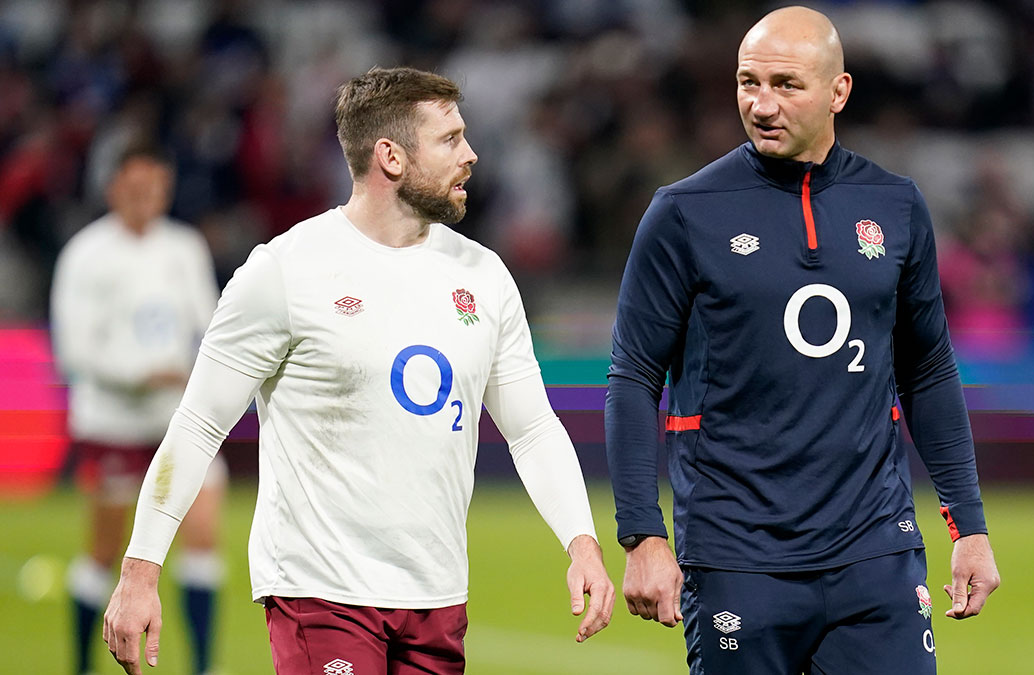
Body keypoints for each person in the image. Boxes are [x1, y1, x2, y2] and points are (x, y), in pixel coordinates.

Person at [102, 66, 614, 675]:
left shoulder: (484, 275)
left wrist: (581, 541)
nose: (472, 154)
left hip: (437, 595)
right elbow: (198, 425)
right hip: (322, 592)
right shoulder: (286, 272)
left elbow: (530, 429)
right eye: (449, 139)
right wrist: (140, 569)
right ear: (391, 157)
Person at [605, 6, 1001, 674]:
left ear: (838, 91)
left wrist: (970, 525)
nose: (762, 105)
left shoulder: (895, 206)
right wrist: (642, 533)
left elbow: (928, 368)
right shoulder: (684, 213)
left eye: (785, 85)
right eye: (747, 82)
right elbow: (633, 376)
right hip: (736, 557)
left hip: (875, 551)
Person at [51, 143, 227, 675]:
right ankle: (82, 665)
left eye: (156, 188)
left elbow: (212, 324)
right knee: (105, 552)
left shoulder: (184, 247)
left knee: (203, 539)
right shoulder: (86, 254)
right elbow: (73, 349)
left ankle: (200, 665)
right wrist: (137, 375)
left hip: (176, 421)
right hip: (113, 422)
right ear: (113, 188)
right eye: (136, 187)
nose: (147, 198)